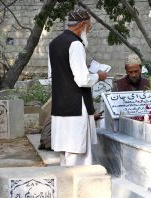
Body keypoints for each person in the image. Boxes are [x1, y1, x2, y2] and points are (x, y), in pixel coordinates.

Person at [48, 8, 107, 166]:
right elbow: (82, 80)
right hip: (75, 107)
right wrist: (98, 76)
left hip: (60, 106)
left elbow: (54, 74)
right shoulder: (75, 44)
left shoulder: (54, 43)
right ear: (81, 25)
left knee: (65, 155)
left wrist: (83, 67)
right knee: (77, 157)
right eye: (89, 26)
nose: (90, 29)